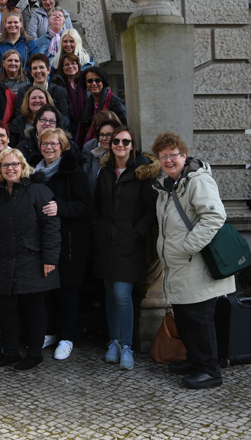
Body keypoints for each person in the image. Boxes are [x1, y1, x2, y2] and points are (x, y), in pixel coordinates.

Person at [152, 132, 233, 389]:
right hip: (180, 267)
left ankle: (210, 371)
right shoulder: (169, 186)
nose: (168, 160)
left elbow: (214, 217)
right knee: (186, 319)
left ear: (184, 156)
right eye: (163, 156)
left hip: (196, 265)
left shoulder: (198, 182)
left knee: (199, 321)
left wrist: (189, 247)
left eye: (173, 155)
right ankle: (196, 361)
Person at [0, 147, 60, 371]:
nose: (11, 168)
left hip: (33, 260)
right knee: (5, 310)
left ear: (23, 167)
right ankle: (10, 353)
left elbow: (51, 227)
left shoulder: (39, 191)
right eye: (6, 165)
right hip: (4, 262)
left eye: (15, 164)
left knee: (34, 308)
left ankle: (34, 354)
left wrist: (50, 259)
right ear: (0, 169)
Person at [93, 126, 159, 371]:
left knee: (122, 295)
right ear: (110, 145)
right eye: (116, 141)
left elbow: (151, 212)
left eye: (125, 141)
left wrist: (135, 233)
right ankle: (114, 342)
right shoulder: (105, 172)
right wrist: (98, 229)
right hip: (105, 244)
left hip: (129, 245)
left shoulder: (142, 173)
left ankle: (127, 345)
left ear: (132, 146)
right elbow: (96, 205)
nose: (120, 144)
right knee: (110, 296)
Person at [31, 128, 92, 361]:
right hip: (42, 240)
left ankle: (66, 337)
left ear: (63, 146)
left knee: (67, 290)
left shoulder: (74, 172)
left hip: (69, 242)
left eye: (54, 144)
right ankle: (49, 332)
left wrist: (61, 208)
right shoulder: (34, 172)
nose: (49, 147)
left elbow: (86, 206)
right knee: (45, 288)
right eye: (45, 143)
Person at [78, 66, 127, 147]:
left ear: (103, 82)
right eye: (90, 81)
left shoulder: (115, 102)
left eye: (97, 80)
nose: (94, 83)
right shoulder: (89, 102)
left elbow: (123, 126)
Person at [82, 110, 120, 196]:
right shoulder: (90, 148)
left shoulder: (122, 152)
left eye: (109, 134)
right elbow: (87, 177)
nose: (104, 138)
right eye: (102, 133)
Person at [24, 53, 71, 118]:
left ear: (48, 70)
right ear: (31, 73)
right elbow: (21, 117)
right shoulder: (23, 91)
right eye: (34, 68)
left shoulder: (59, 91)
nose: (38, 71)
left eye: (41, 67)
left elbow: (65, 118)